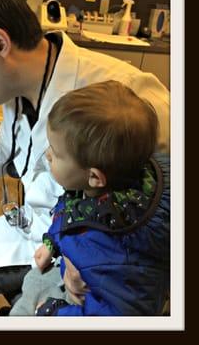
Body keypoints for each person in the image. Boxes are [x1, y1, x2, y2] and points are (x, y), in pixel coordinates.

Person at [0, 0, 170, 315]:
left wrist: (93, 260)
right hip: (39, 231)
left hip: (92, 251)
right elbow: (12, 147)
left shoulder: (121, 93)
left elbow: (167, 200)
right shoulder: (12, 87)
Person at [10, 81, 170, 316]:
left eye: (55, 153)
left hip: (90, 303)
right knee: (32, 281)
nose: (47, 154)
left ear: (94, 176)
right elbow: (71, 208)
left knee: (23, 309)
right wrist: (52, 242)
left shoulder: (110, 252)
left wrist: (55, 312)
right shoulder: (108, 184)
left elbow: (115, 316)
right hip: (76, 268)